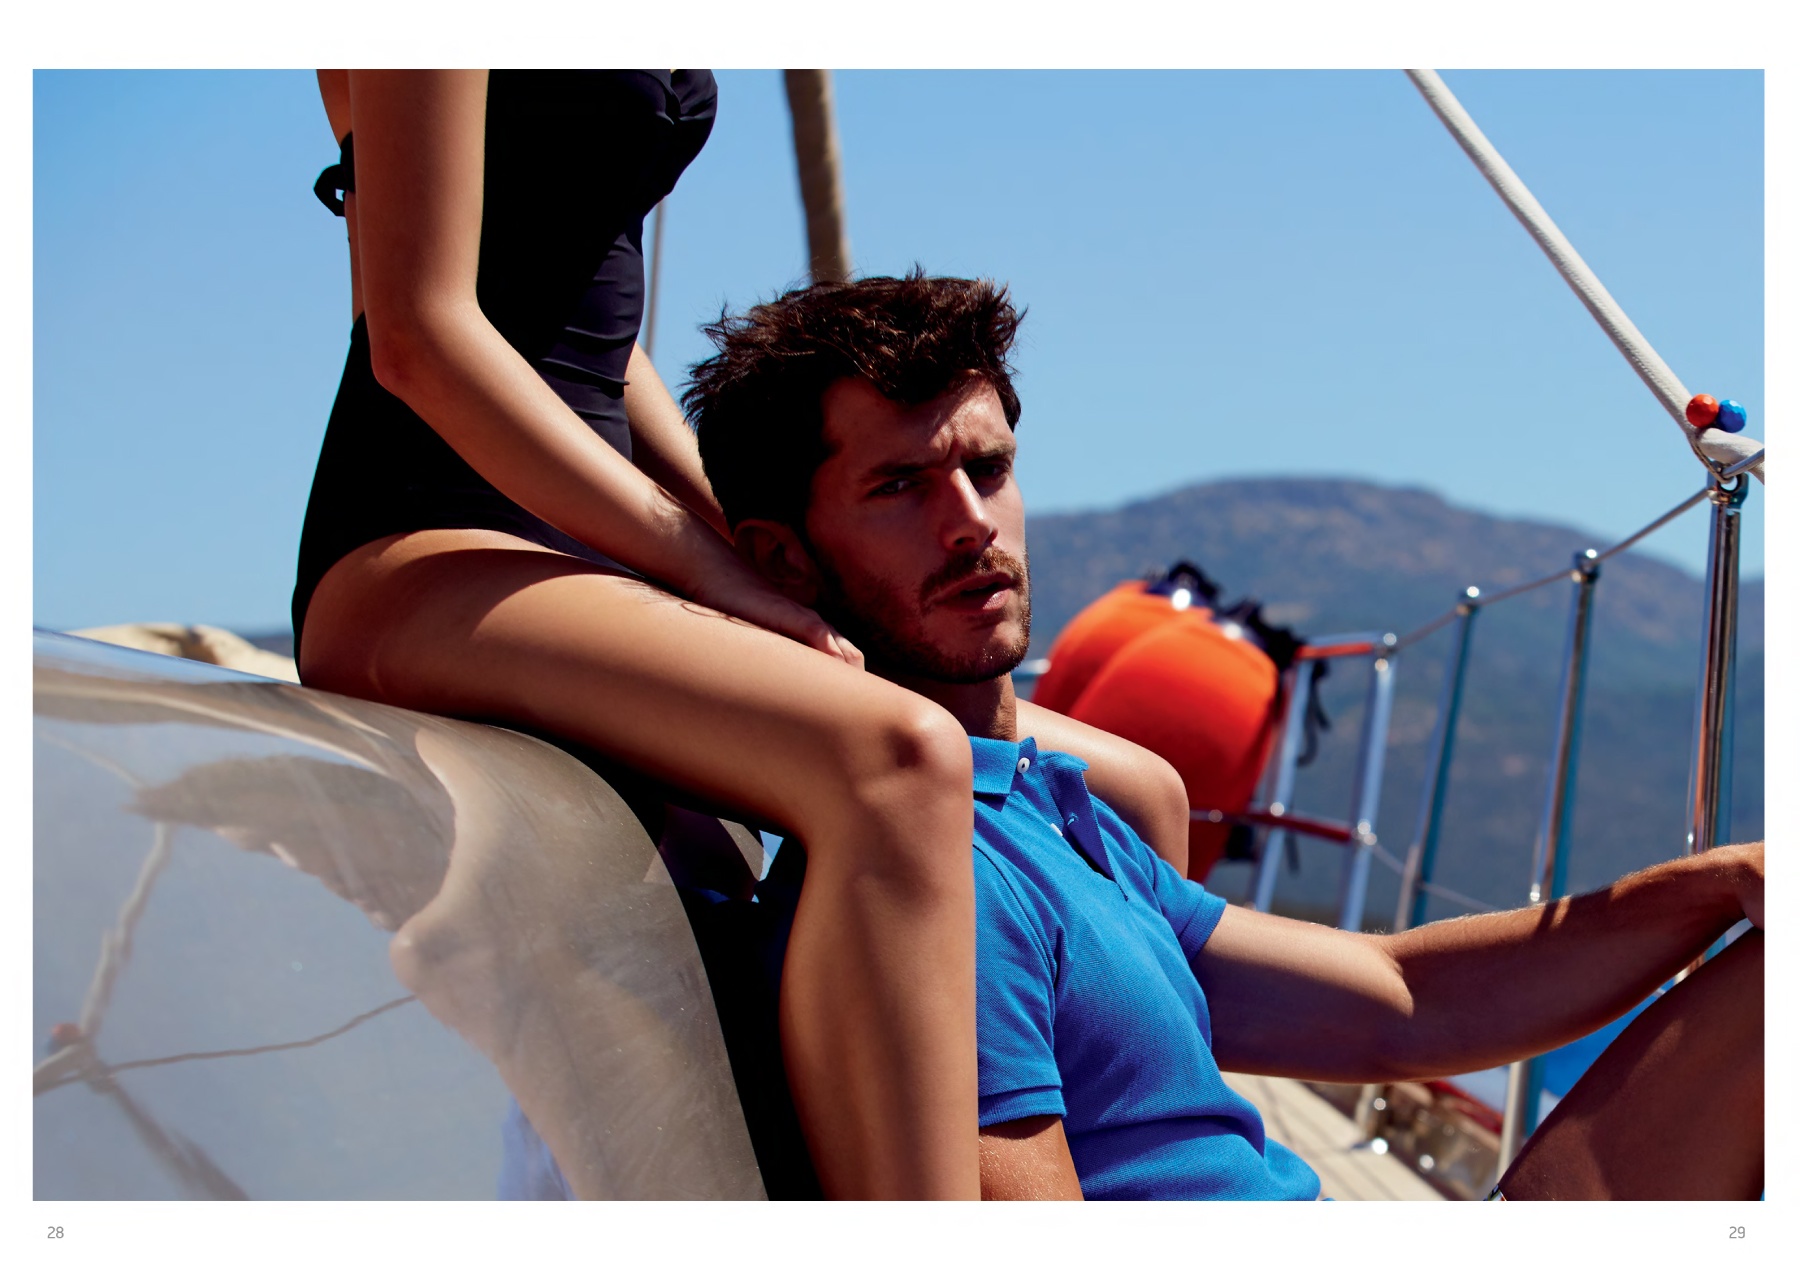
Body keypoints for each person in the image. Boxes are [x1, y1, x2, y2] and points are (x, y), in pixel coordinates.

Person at [289, 71, 1188, 1200]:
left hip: (601, 520)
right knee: (897, 756)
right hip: (429, 533)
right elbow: (420, 335)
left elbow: (587, 323)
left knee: (1136, 787)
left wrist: (736, 540)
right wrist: (703, 563)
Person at [684, 270, 1765, 1200]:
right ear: (782, 558)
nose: (970, 522)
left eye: (990, 469)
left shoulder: (1043, 811)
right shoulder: (930, 875)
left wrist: (1715, 884)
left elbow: (1403, 1004)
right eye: (899, 486)